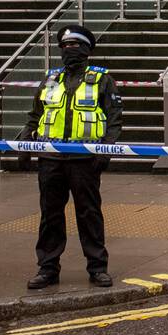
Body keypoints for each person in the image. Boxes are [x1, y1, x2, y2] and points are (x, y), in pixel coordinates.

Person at [19, 24, 123, 290]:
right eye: (65, 47)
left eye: (74, 46)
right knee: (50, 214)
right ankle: (47, 268)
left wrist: (105, 152)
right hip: (50, 158)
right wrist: (26, 139)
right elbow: (36, 114)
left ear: (86, 50)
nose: (69, 50)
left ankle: (98, 268)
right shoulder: (51, 78)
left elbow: (114, 119)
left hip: (85, 160)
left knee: (89, 213)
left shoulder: (101, 79)